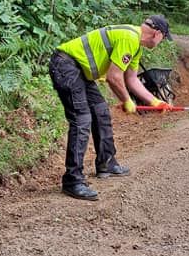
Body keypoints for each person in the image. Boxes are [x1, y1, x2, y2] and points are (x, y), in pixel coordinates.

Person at [48, 15, 173, 200]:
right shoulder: (129, 37)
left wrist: (155, 102)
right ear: (157, 34)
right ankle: (72, 181)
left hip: (80, 71)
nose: (161, 42)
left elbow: (131, 79)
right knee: (82, 119)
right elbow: (114, 77)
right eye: (163, 38)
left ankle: (106, 162)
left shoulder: (135, 45)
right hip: (66, 64)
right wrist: (127, 101)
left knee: (101, 112)